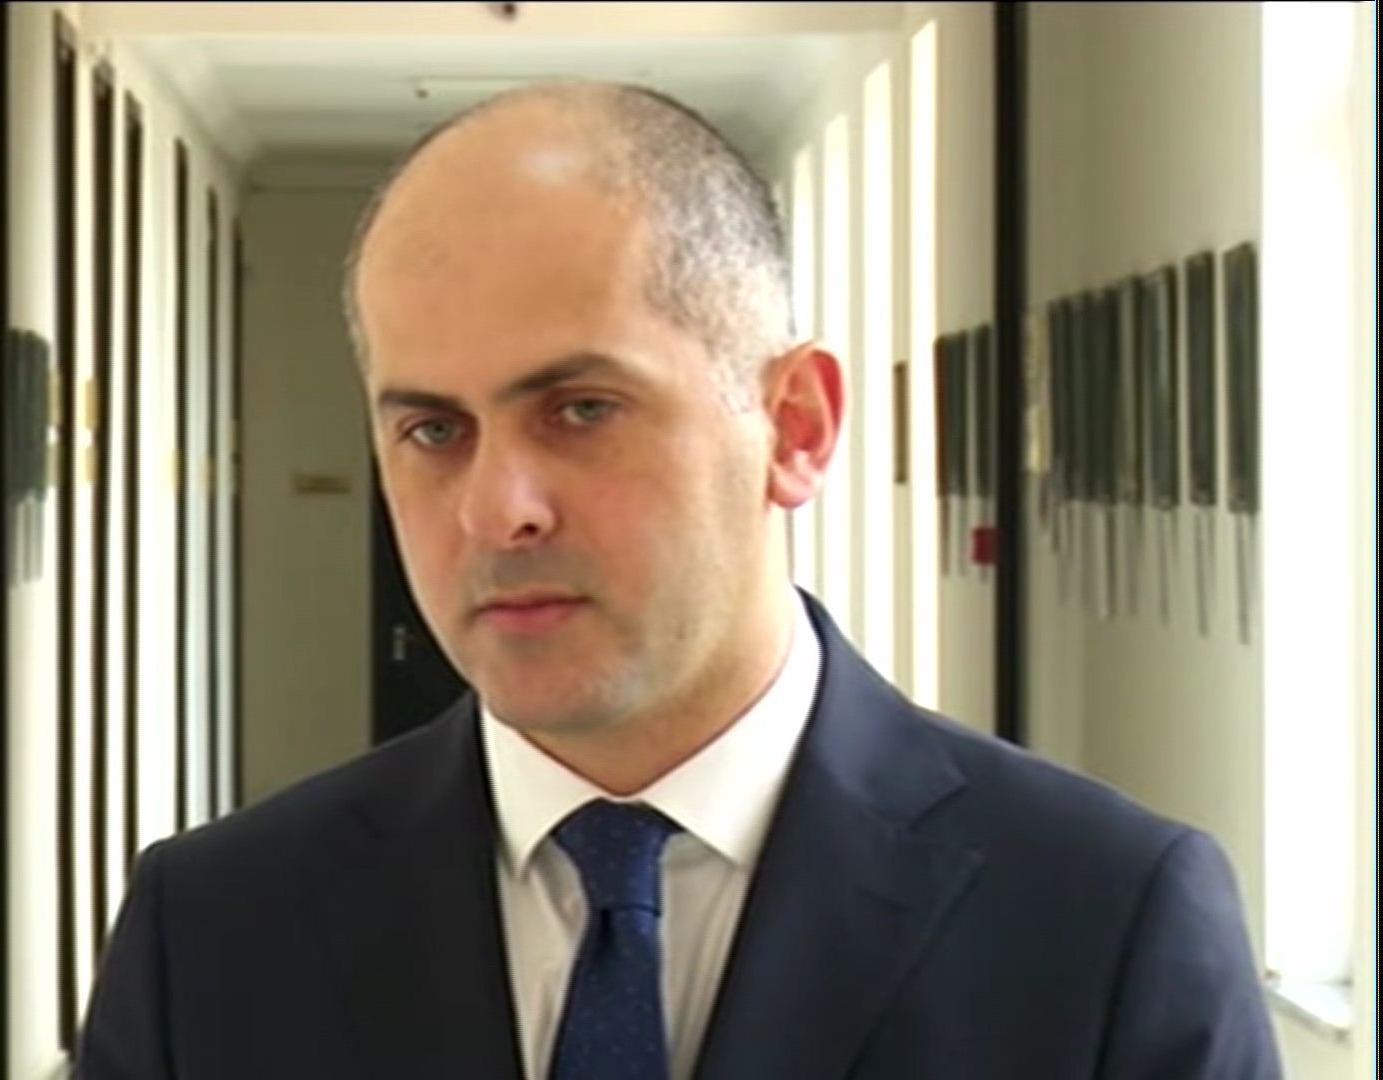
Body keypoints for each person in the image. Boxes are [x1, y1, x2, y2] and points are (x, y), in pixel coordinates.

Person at [74, 82, 1278, 1080]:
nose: (498, 510)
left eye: (581, 410)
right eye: (434, 431)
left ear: (795, 426)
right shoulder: (215, 933)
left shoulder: (1104, 923)